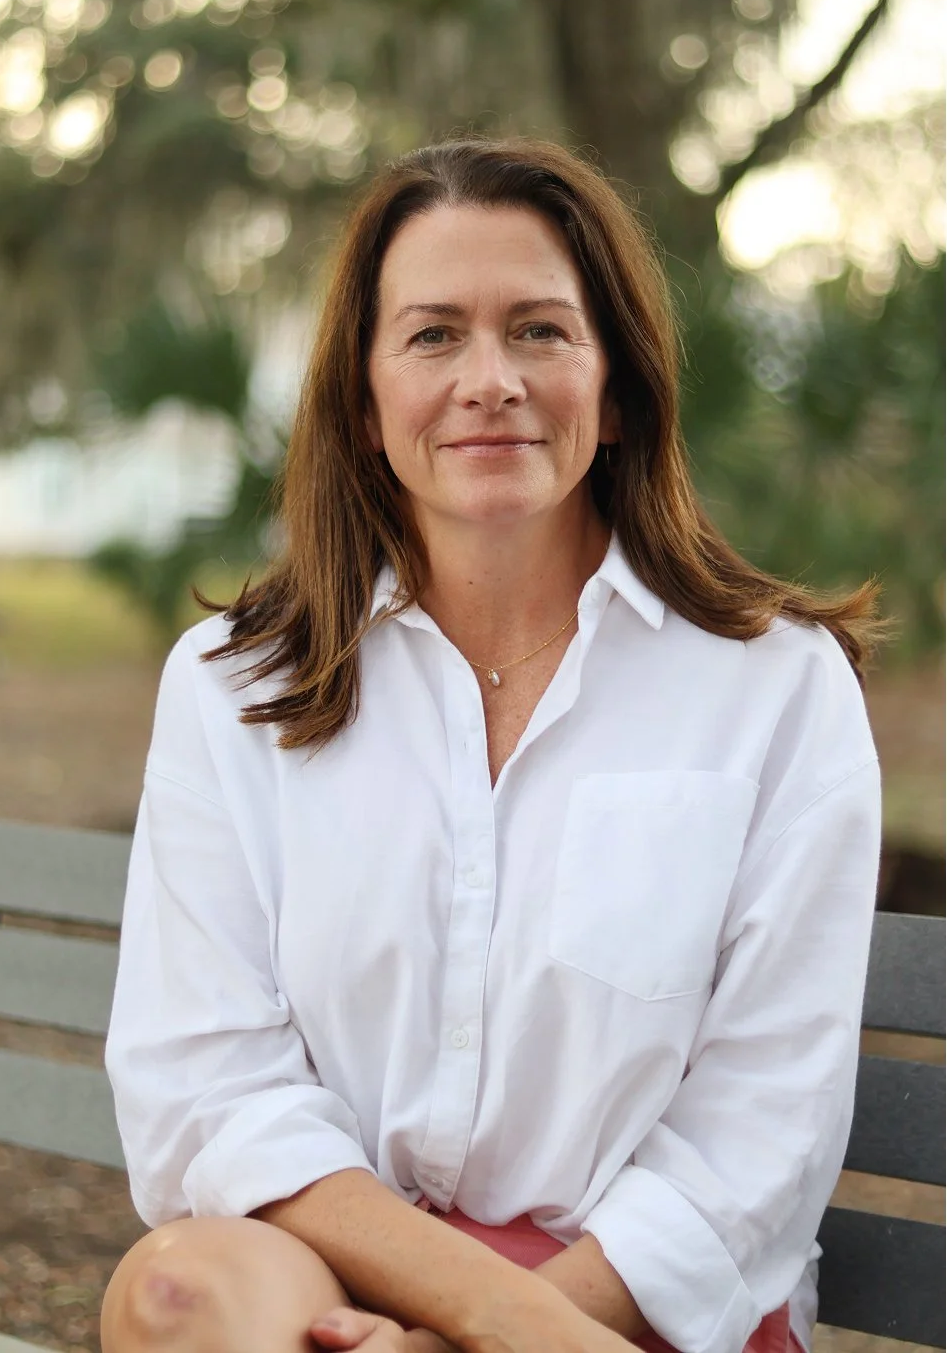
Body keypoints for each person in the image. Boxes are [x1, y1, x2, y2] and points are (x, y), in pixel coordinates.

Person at [101, 138, 882, 1353]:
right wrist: (468, 1319)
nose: (488, 380)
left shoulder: (777, 691)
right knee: (175, 1298)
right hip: (341, 1268)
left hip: (632, 1297)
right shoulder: (231, 689)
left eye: (538, 331)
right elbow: (207, 1087)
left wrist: (506, 1336)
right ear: (362, 404)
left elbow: (758, 1129)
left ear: (615, 386)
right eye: (430, 336)